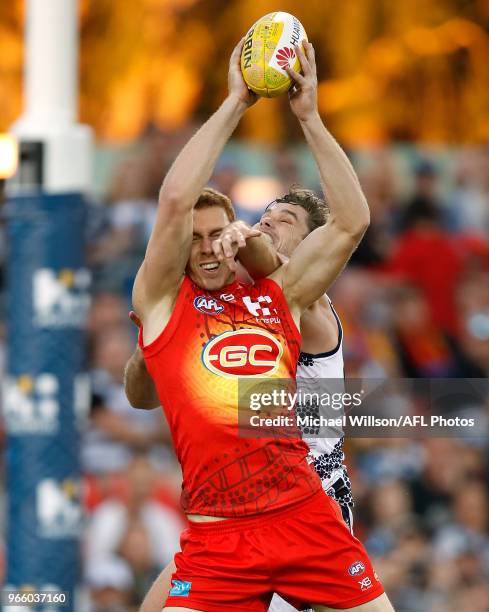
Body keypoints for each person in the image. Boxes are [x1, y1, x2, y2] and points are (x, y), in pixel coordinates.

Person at [131, 38, 393, 611]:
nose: (264, 228)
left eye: (283, 223)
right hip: (220, 528)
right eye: (263, 218)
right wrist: (235, 103)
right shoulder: (171, 301)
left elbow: (351, 223)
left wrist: (309, 117)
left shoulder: (295, 299)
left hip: (308, 503)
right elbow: (175, 205)